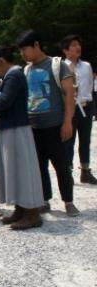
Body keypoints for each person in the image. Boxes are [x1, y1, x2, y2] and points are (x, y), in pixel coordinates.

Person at [0, 46, 44, 229]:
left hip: (16, 129)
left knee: (22, 170)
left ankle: (32, 213)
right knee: (15, 169)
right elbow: (6, 101)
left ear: (2, 62)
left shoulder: (13, 75)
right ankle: (21, 209)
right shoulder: (13, 75)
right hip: (12, 127)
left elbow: (3, 101)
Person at [17, 30, 79, 216]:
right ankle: (45, 200)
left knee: (61, 165)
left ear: (36, 45)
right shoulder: (26, 70)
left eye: (25, 49)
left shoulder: (57, 65)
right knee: (39, 166)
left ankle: (69, 202)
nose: (23, 54)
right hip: (34, 127)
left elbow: (70, 94)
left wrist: (67, 122)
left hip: (55, 125)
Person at [61, 35, 97, 184]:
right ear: (65, 50)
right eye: (73, 45)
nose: (77, 47)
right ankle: (67, 170)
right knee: (68, 140)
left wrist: (87, 100)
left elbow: (89, 85)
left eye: (78, 44)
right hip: (70, 108)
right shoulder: (61, 66)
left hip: (86, 106)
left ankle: (85, 170)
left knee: (85, 139)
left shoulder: (86, 66)